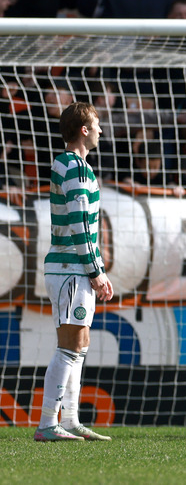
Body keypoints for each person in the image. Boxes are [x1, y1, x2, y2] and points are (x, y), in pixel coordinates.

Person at [34, 102, 113, 442]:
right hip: (71, 268)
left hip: (72, 267)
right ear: (84, 130)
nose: (100, 131)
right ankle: (47, 423)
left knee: (79, 344)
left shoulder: (72, 165)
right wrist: (96, 271)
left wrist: (98, 269)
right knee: (69, 345)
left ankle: (69, 420)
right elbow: (81, 224)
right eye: (96, 125)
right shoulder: (74, 167)